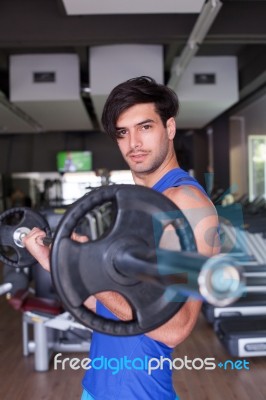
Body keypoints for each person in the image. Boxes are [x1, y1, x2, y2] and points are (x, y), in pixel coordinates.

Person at [23, 76, 220, 400]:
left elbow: (175, 328)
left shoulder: (187, 204)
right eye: (123, 132)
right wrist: (60, 264)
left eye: (145, 127)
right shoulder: (139, 203)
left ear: (169, 128)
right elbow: (108, 306)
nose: (134, 143)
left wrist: (92, 270)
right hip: (98, 388)